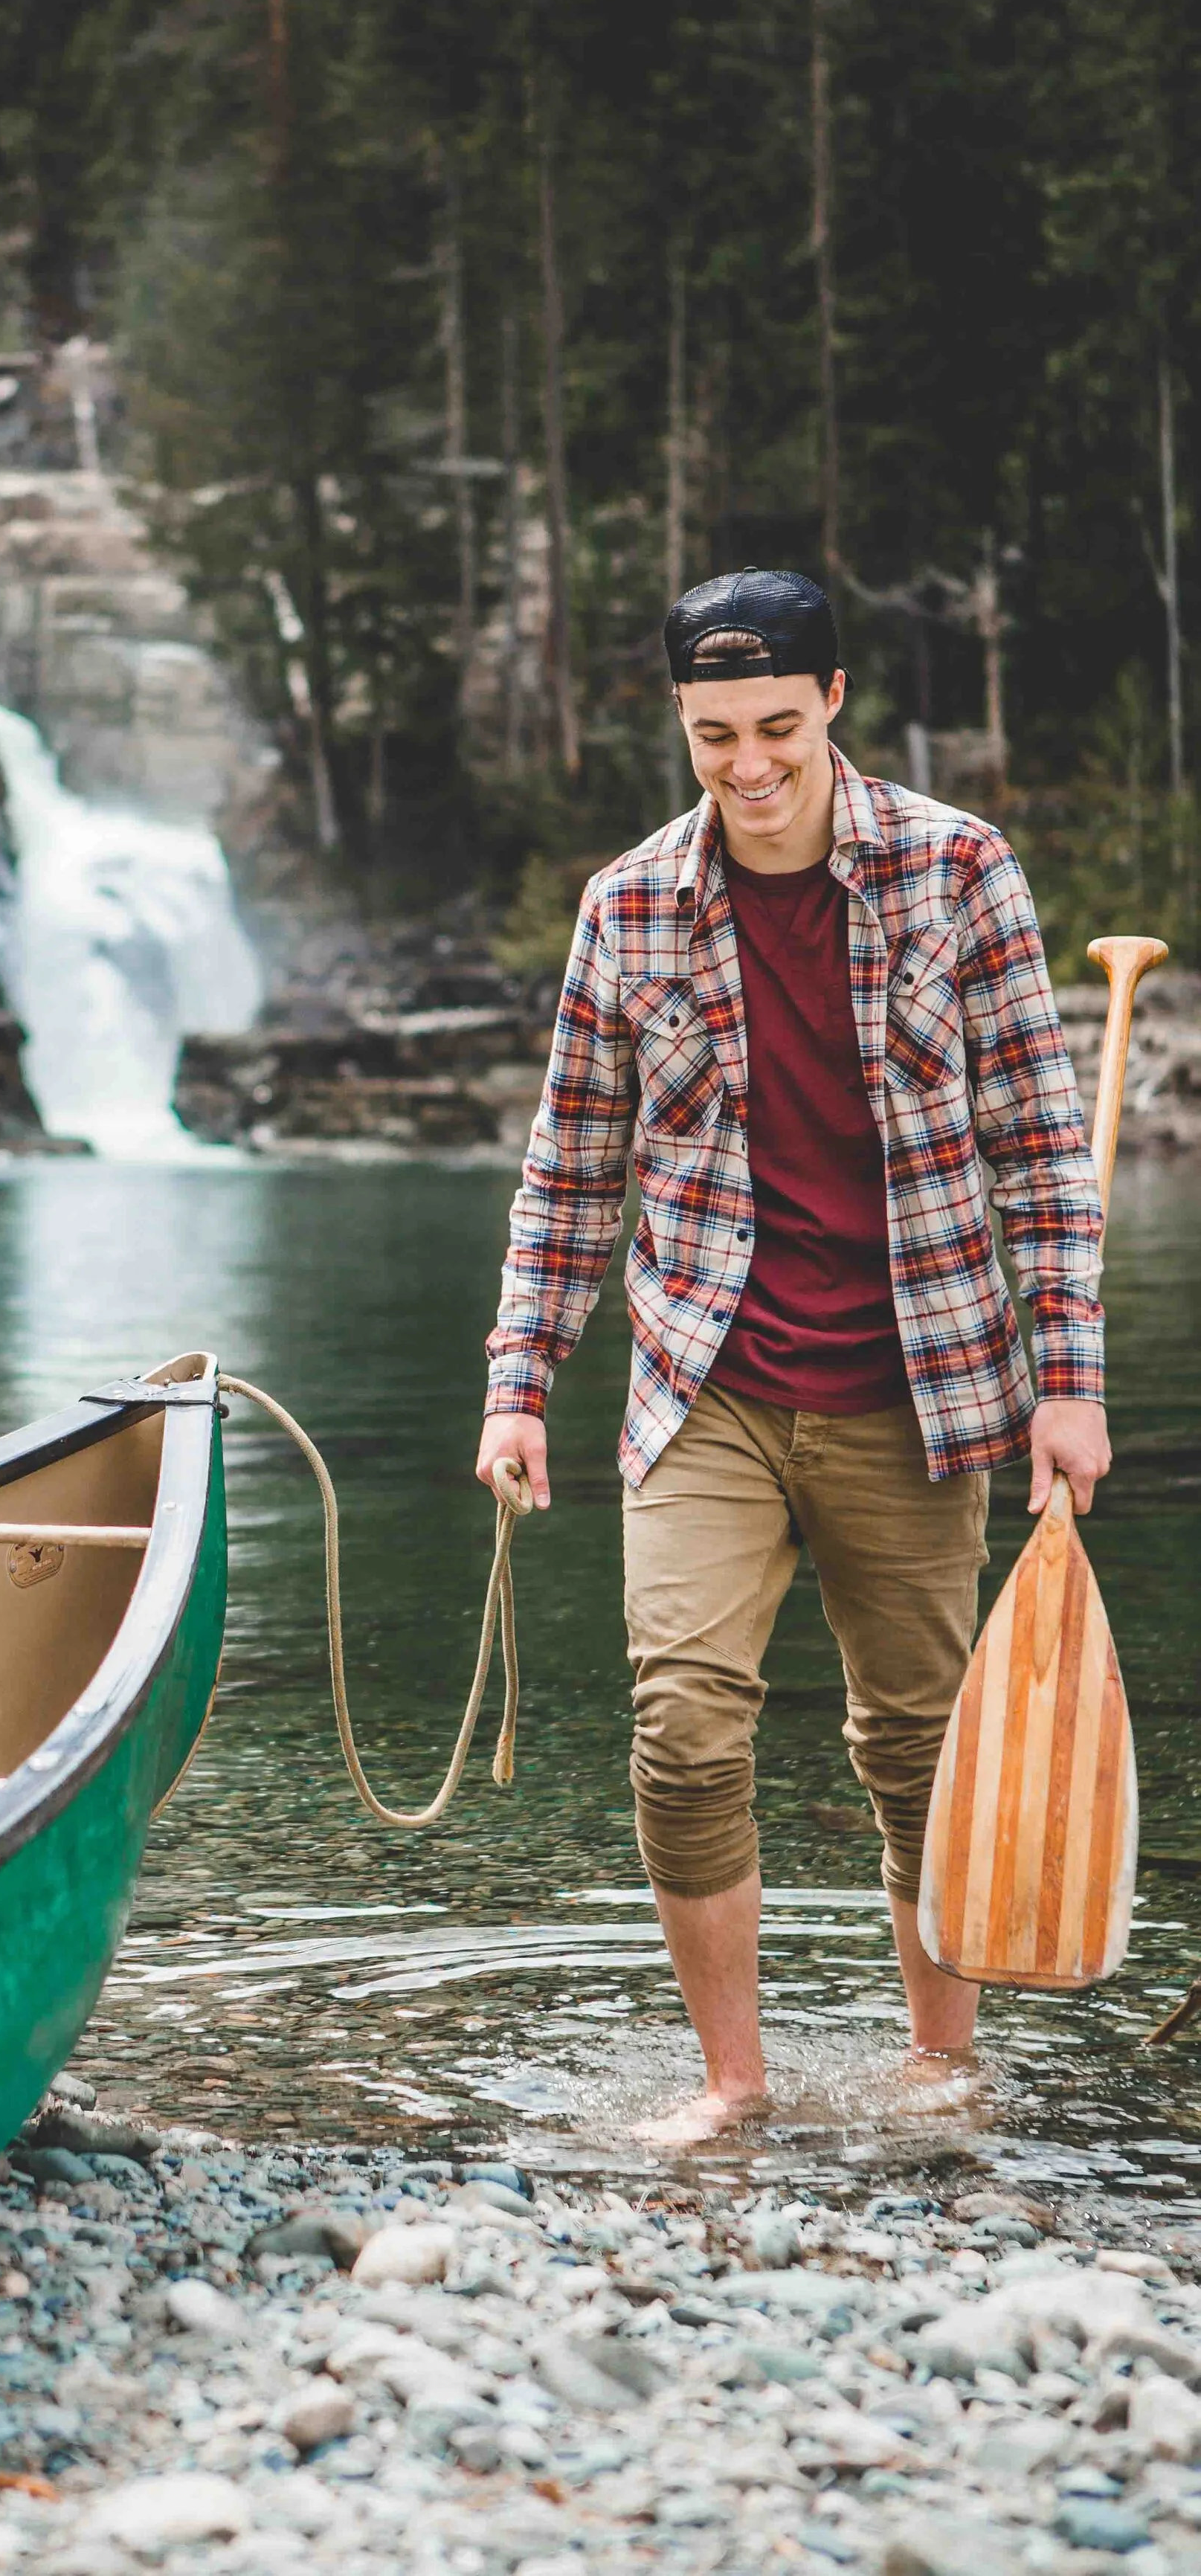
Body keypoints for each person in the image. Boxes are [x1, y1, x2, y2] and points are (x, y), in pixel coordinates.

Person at [475, 567, 1110, 2145]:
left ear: (831, 702)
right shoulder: (625, 907)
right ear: (677, 727)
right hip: (705, 1382)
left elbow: (1038, 1145)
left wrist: (1072, 1382)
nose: (745, 766)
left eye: (773, 726)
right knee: (680, 1725)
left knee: (912, 1741)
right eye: (710, 737)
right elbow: (569, 1166)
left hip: (920, 1382)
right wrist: (515, 1379)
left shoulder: (959, 873)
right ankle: (730, 2085)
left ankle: (936, 2059)